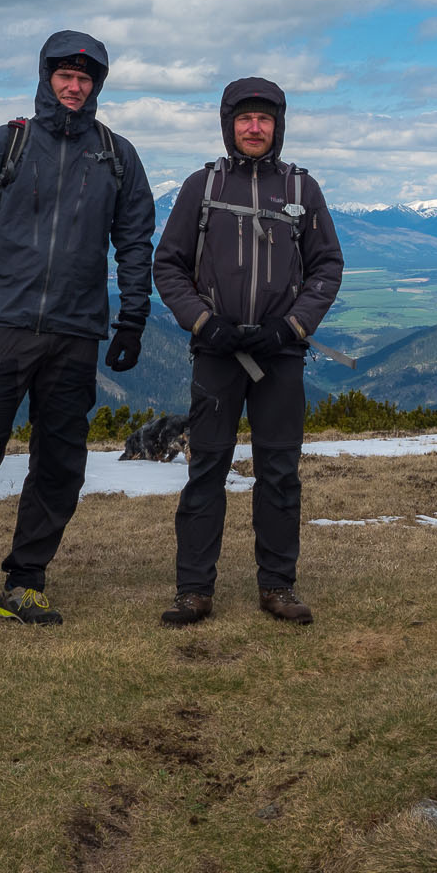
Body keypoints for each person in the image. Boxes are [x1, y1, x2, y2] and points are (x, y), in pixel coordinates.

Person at [0, 30, 155, 640]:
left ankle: (24, 584)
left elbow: (135, 241)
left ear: (97, 85)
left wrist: (133, 320)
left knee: (59, 464)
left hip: (75, 331)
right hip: (2, 325)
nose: (74, 85)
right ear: (46, 77)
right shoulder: (5, 144)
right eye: (65, 75)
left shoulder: (117, 155)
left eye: (85, 77)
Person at [151, 77, 343, 627]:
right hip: (216, 352)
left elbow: (327, 265)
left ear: (278, 126)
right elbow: (168, 264)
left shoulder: (302, 190)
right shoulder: (201, 186)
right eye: (244, 119)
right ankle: (193, 590)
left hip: (281, 354)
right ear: (227, 124)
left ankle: (278, 586)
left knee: (279, 471)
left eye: (264, 119)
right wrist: (204, 323)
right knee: (206, 467)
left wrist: (291, 328)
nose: (254, 128)